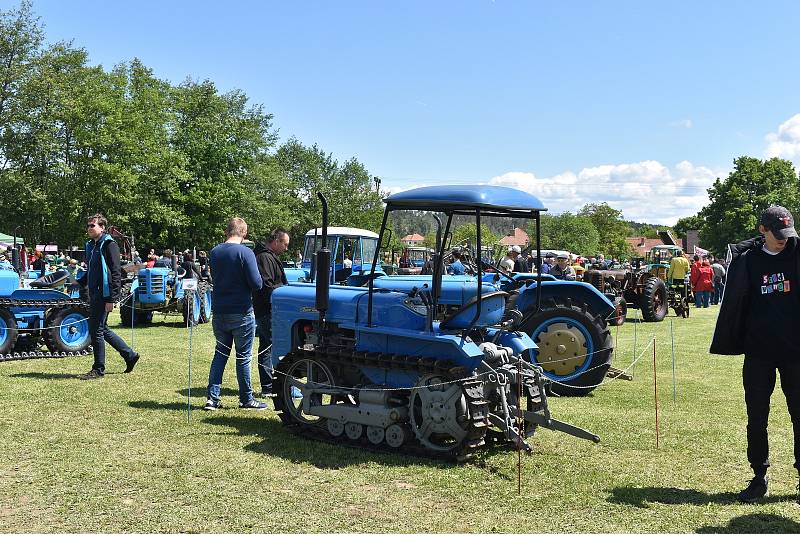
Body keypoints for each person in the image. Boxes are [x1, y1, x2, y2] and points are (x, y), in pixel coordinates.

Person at [710, 205, 800, 503]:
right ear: (763, 230)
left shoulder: (798, 253)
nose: (783, 239)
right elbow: (736, 304)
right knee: (756, 417)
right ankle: (759, 477)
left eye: (787, 233)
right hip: (759, 353)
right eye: (777, 234)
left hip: (795, 353)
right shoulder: (748, 262)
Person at [203, 217, 267, 411]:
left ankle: (212, 399)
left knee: (220, 355)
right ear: (244, 233)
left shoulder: (214, 252)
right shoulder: (246, 252)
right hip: (242, 312)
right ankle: (246, 399)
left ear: (226, 231)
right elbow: (257, 283)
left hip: (220, 311)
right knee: (243, 357)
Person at [77, 214, 139, 379]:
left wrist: (112, 298)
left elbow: (116, 272)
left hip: (104, 294)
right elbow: (91, 269)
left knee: (96, 330)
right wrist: (79, 282)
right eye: (88, 225)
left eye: (93, 225)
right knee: (101, 328)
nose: (89, 228)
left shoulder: (109, 244)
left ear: (102, 227)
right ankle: (129, 355)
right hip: (94, 293)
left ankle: (98, 369)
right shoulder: (91, 245)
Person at [252, 228, 289, 399]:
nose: (286, 248)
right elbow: (266, 286)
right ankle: (273, 386)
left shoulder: (266, 256)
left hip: (268, 309)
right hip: (268, 310)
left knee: (267, 347)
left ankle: (269, 386)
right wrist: (285, 292)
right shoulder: (265, 258)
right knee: (272, 346)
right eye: (285, 244)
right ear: (276, 241)